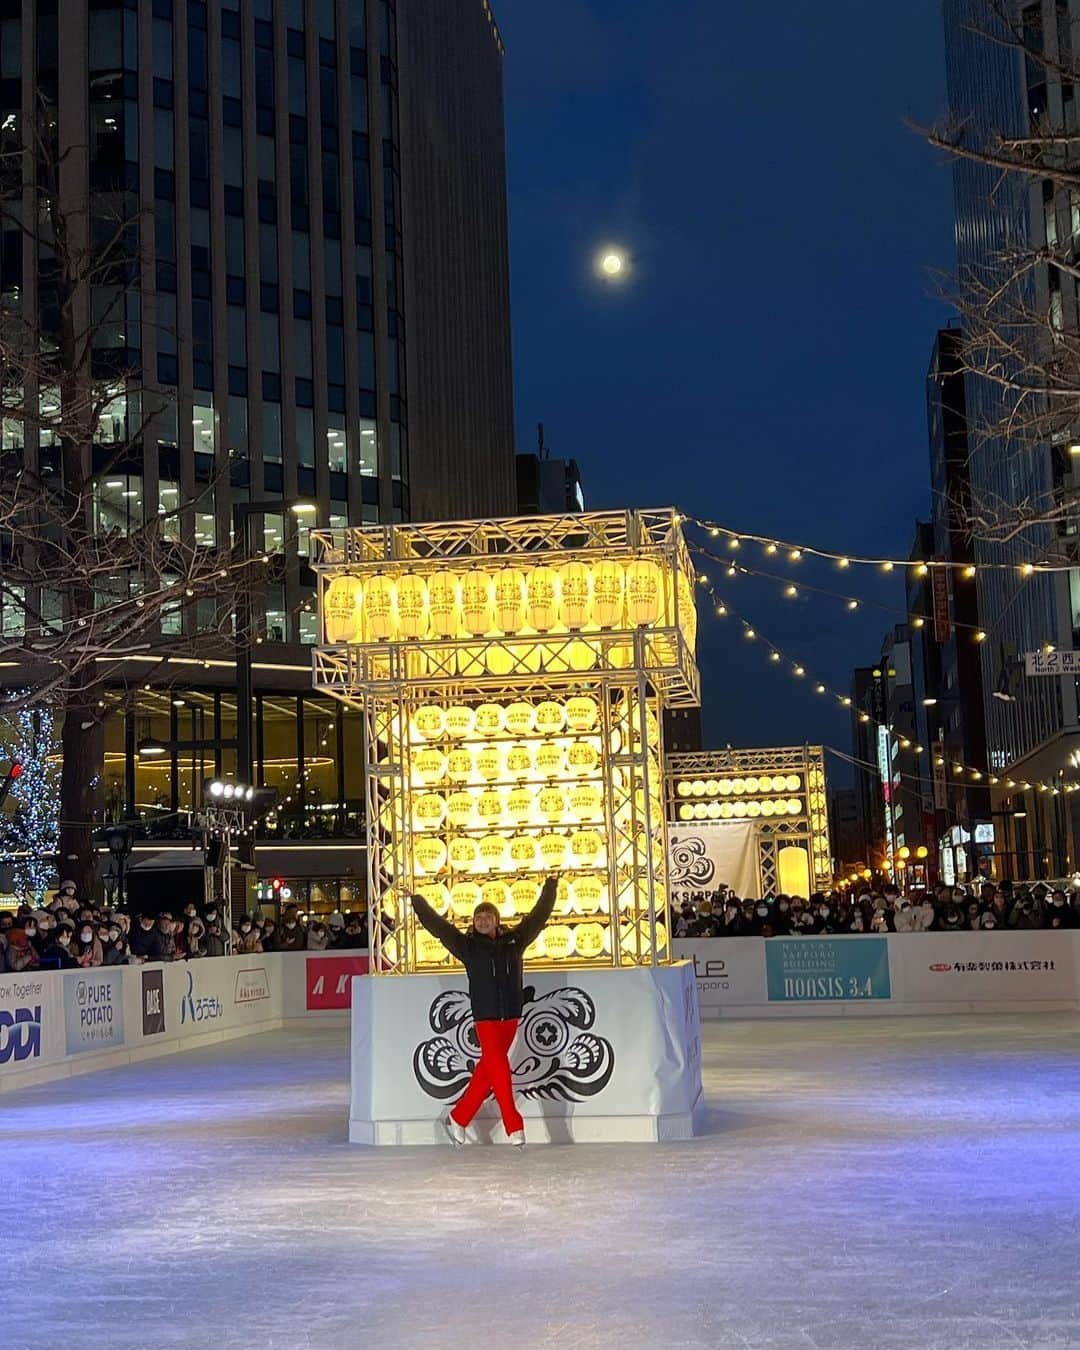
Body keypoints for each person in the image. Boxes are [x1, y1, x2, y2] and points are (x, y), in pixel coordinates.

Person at [411, 876, 558, 1149]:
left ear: (496, 919)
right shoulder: (468, 946)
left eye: (487, 915)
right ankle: (514, 1124)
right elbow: (440, 928)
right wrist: (417, 902)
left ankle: (459, 1117)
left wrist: (550, 888)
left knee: (487, 1072)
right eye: (478, 917)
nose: (482, 920)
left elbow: (538, 918)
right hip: (486, 1018)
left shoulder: (515, 940)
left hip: (511, 1016)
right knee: (500, 1068)